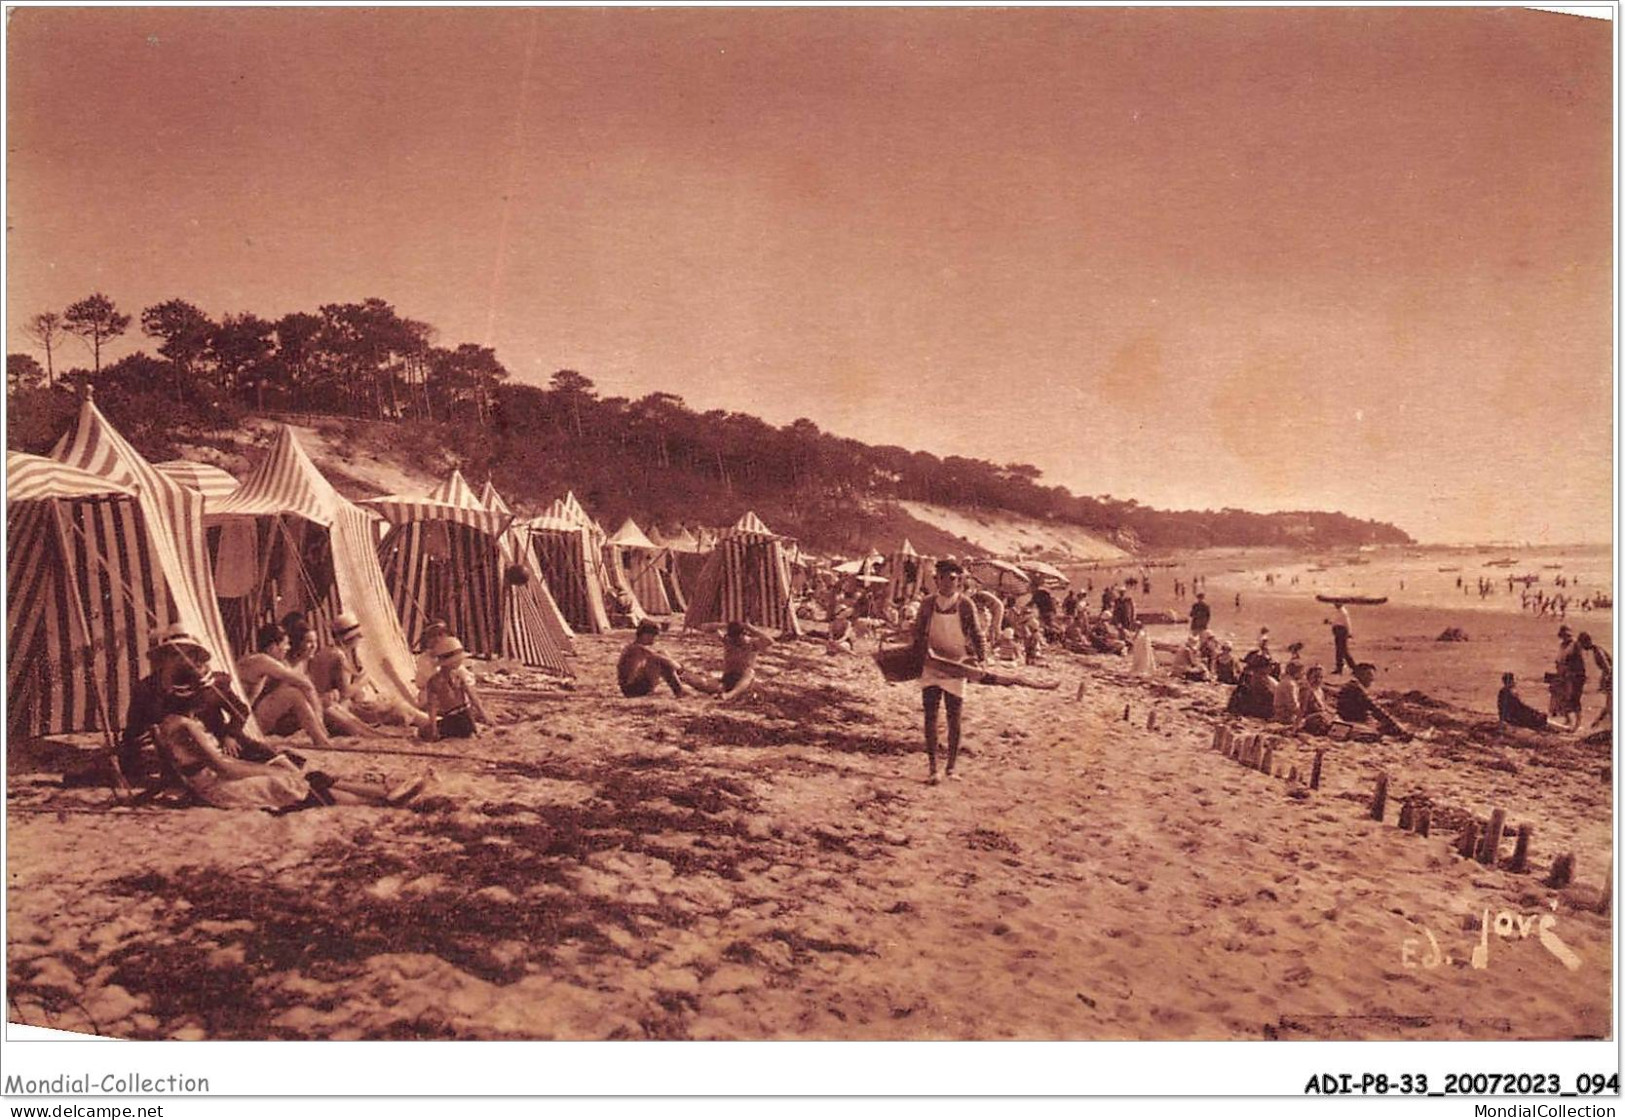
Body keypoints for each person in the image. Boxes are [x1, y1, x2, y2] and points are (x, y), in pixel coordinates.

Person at [155, 673, 426, 811]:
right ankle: (378, 798)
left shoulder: (177, 722)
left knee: (296, 774)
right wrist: (270, 769)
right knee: (289, 780)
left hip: (218, 781)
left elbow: (223, 764)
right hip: (220, 788)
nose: (209, 697)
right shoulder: (186, 727)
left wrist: (271, 767)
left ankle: (379, 792)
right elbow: (224, 768)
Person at [912, 558, 986, 785]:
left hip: (956, 663)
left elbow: (976, 632)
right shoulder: (927, 603)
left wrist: (982, 660)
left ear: (960, 581)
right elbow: (917, 631)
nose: (949, 583)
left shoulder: (965, 604)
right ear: (937, 579)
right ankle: (933, 768)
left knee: (954, 717)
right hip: (932, 664)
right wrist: (916, 653)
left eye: (955, 579)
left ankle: (951, 768)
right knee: (930, 716)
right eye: (945, 578)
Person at [308, 611, 430, 731]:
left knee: (391, 703)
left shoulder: (323, 653)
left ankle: (429, 721)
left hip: (324, 709)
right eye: (358, 636)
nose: (360, 638)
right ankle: (431, 722)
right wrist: (362, 681)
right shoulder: (339, 656)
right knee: (397, 707)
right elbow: (344, 693)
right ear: (351, 637)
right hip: (339, 711)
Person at [236, 622, 338, 750]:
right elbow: (306, 685)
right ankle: (321, 739)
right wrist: (320, 722)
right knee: (293, 694)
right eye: (285, 644)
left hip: (244, 720)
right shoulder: (262, 660)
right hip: (244, 724)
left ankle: (321, 737)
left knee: (293, 692)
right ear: (273, 647)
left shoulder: (254, 659)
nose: (288, 648)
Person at [421, 635, 491, 740]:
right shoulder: (458, 676)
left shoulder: (434, 681)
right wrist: (485, 716)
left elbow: (432, 707)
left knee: (423, 731)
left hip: (451, 718)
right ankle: (471, 732)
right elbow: (474, 698)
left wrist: (433, 728)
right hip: (465, 717)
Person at [697, 620, 775, 699]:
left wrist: (750, 628)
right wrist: (725, 625)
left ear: (743, 635)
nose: (735, 640)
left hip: (744, 678)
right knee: (706, 685)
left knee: (750, 673)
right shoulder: (728, 641)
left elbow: (770, 641)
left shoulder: (752, 644)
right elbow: (705, 628)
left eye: (737, 638)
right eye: (732, 638)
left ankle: (729, 695)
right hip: (728, 677)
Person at [1336, 663, 1412, 740]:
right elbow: (1376, 709)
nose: (1371, 678)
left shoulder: (1351, 686)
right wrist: (1397, 726)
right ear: (1359, 675)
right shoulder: (1357, 689)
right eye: (1368, 675)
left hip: (1348, 720)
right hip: (1354, 722)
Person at [1326, 602, 1355, 675]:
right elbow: (1336, 622)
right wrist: (1329, 622)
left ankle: (1354, 667)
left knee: (1343, 650)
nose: (1335, 604)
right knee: (1339, 650)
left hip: (1341, 632)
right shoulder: (1338, 611)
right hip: (1338, 631)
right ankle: (1339, 668)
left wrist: (1349, 632)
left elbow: (1346, 623)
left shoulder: (1343, 612)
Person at [1273, 660, 1303, 724]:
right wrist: (1302, 715)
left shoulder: (1285, 680)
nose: (1303, 674)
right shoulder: (1290, 684)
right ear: (1296, 672)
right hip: (1285, 716)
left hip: (1280, 713)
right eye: (1301, 672)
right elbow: (1293, 705)